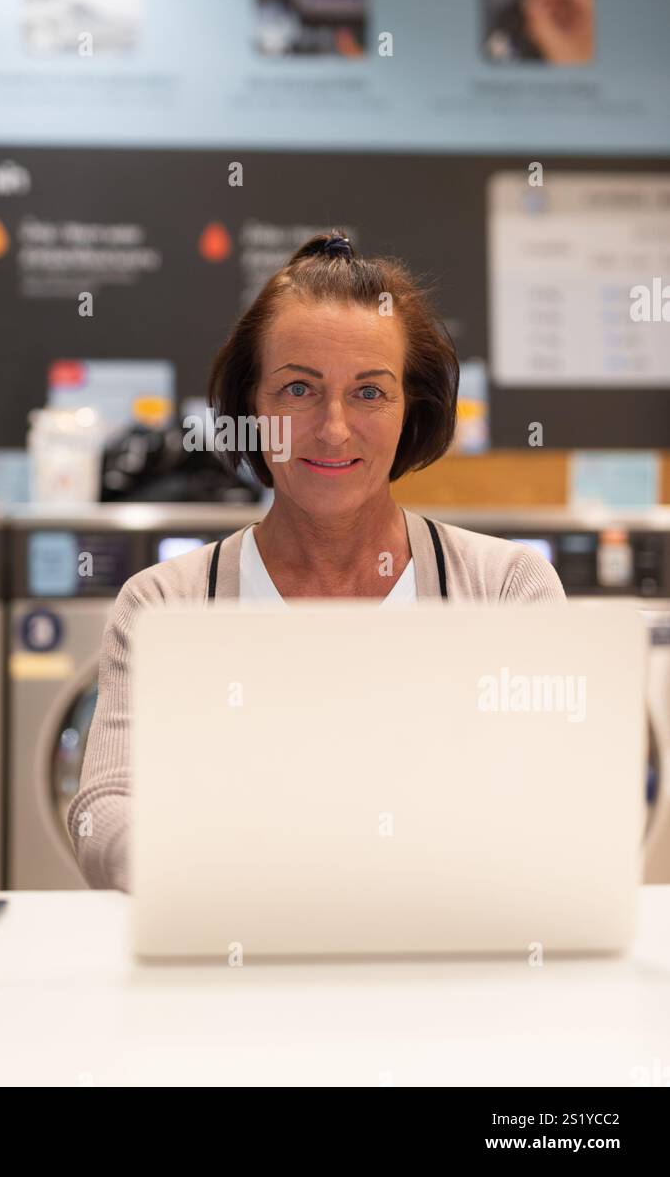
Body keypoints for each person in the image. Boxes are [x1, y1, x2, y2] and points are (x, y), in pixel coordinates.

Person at [68, 232, 564, 890]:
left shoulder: (505, 589)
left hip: (448, 957)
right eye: (298, 390)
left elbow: (558, 801)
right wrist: (214, 875)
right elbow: (103, 811)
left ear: (409, 408)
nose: (332, 428)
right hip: (233, 951)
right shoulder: (164, 604)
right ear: (252, 407)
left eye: (368, 393)